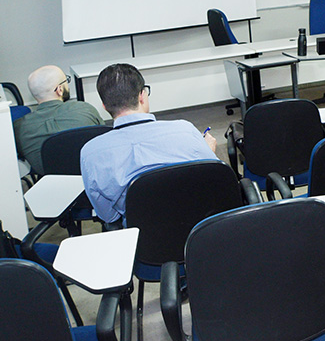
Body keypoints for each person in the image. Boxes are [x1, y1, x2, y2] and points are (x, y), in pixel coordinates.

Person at [79, 64, 218, 224]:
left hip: (143, 240)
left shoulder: (90, 153)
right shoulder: (185, 129)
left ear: (105, 106)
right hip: (200, 230)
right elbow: (215, 183)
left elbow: (108, 216)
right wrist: (209, 153)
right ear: (142, 96)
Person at [13, 65, 103, 175]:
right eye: (66, 81)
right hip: (92, 178)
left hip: (51, 185)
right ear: (59, 90)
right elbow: (104, 139)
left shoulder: (19, 127)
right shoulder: (85, 109)